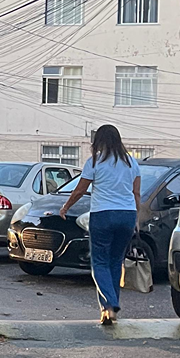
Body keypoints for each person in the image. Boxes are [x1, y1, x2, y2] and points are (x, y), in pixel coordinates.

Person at [59, 125, 141, 325]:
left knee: (100, 262)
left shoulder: (95, 161)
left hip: (103, 215)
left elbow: (80, 190)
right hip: (127, 215)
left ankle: (110, 303)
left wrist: (66, 207)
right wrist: (136, 218)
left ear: (99, 141)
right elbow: (136, 193)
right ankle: (108, 312)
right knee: (115, 261)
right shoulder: (131, 162)